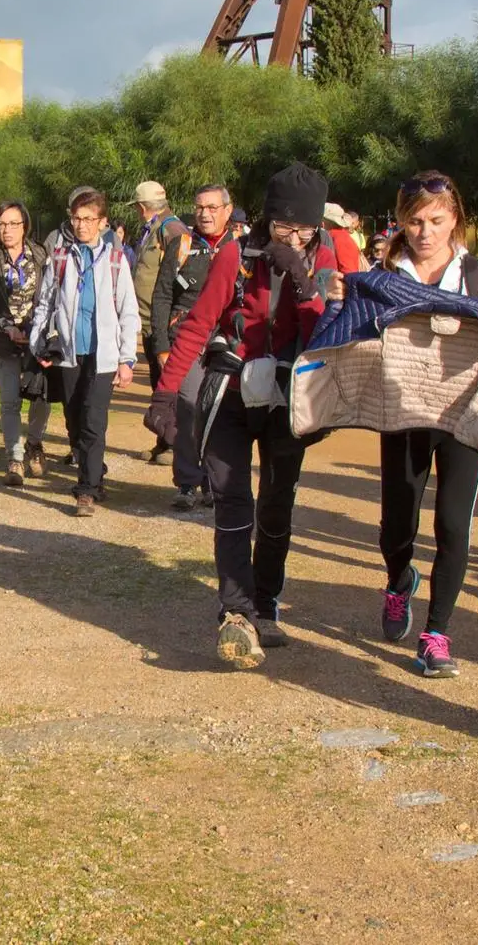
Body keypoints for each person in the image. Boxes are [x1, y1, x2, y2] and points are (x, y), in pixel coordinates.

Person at [150, 164, 339, 667]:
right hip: (231, 390)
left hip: (288, 398)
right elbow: (198, 324)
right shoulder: (236, 254)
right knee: (234, 501)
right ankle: (235, 611)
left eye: (303, 229)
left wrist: (301, 279)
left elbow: (328, 336)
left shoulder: (326, 257)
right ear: (266, 219)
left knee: (277, 507)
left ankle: (266, 602)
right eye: (283, 227)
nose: (293, 236)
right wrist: (165, 394)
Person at [374, 171, 478, 679]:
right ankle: (397, 581)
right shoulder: (386, 274)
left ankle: (436, 635)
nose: (425, 232)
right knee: (398, 526)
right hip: (404, 415)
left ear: (455, 219)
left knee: (453, 525)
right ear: (402, 223)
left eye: (436, 220)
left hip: (463, 416)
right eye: (415, 221)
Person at [29, 186, 140, 517]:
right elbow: (45, 303)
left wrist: (126, 358)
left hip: (103, 356)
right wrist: (38, 340)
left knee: (94, 420)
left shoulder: (116, 261)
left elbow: (128, 311)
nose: (81, 225)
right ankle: (95, 473)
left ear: (102, 222)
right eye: (76, 219)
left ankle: (87, 490)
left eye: (88, 219)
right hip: (69, 353)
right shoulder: (61, 259)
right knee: (75, 420)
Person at [150, 183, 234, 509]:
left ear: (227, 210)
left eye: (213, 207)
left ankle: (213, 481)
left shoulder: (240, 249)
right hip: (183, 340)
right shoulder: (181, 245)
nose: (205, 213)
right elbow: (161, 296)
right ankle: (187, 482)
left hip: (224, 343)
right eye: (200, 207)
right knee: (187, 406)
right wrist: (160, 344)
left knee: (218, 411)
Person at [0, 201, 54, 486]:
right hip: (2, 340)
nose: (7, 230)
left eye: (13, 224)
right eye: (2, 224)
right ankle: (15, 458)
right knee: (10, 401)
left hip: (36, 339)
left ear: (24, 226)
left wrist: (36, 330)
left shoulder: (41, 254)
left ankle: (34, 444)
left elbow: (50, 296)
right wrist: (6, 326)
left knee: (41, 397)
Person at [126, 181, 187, 464]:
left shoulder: (171, 230)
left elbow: (180, 279)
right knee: (158, 383)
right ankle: (164, 441)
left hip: (163, 322)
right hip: (149, 322)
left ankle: (176, 445)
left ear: (141, 207)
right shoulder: (154, 228)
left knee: (169, 384)